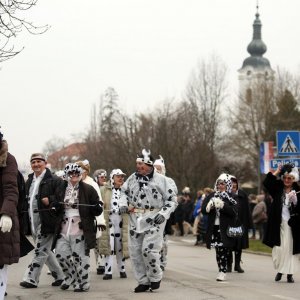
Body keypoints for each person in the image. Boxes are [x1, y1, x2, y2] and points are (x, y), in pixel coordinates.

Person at [119, 149, 178, 293]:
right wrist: (123, 204)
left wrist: (164, 214)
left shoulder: (162, 180)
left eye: (141, 164)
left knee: (148, 250)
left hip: (154, 219)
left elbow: (172, 200)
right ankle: (143, 281)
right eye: (137, 163)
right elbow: (123, 192)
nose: (138, 166)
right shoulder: (133, 178)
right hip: (135, 219)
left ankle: (155, 276)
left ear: (149, 165)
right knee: (135, 252)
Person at [52, 163, 103, 292]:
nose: (74, 175)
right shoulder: (60, 188)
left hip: (80, 226)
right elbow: (55, 205)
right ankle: (70, 277)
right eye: (71, 173)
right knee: (60, 254)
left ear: (80, 174)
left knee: (80, 257)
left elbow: (97, 207)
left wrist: (97, 207)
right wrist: (54, 206)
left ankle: (83, 283)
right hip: (63, 226)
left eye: (76, 172)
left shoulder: (88, 188)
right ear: (66, 175)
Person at [19, 153, 64, 288]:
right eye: (33, 162)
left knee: (40, 250)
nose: (36, 164)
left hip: (47, 222)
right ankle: (61, 276)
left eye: (39, 161)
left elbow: (61, 199)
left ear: (45, 163)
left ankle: (31, 278)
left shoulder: (55, 180)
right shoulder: (29, 181)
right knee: (46, 250)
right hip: (32, 223)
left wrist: (50, 200)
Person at [263, 163, 300, 283]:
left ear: (294, 179)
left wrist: (295, 202)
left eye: (290, 178)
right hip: (278, 224)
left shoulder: (298, 191)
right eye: (285, 178)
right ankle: (280, 270)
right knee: (278, 249)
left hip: (292, 225)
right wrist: (277, 172)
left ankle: (289, 274)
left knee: (289, 250)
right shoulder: (278, 188)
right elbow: (267, 183)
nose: (287, 180)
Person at [201, 173, 238, 282]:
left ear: (227, 185)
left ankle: (223, 270)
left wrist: (222, 205)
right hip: (214, 226)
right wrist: (210, 207)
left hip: (225, 227)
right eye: (219, 184)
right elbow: (204, 210)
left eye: (223, 184)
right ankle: (221, 270)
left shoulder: (231, 196)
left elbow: (234, 212)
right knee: (218, 249)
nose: (220, 186)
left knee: (224, 249)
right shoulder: (212, 195)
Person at [76, 160, 106, 275]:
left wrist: (100, 221)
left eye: (81, 170)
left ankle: (100, 262)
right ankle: (83, 266)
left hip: (91, 218)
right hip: (77, 219)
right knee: (82, 244)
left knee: (97, 242)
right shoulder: (73, 183)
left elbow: (99, 203)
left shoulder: (92, 184)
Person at [98, 169, 129, 280]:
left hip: (121, 221)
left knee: (120, 246)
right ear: (112, 177)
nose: (121, 178)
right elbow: (98, 203)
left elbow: (132, 204)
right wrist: (101, 205)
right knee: (109, 246)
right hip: (109, 221)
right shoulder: (103, 189)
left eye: (122, 176)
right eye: (118, 176)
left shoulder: (126, 190)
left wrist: (128, 208)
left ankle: (122, 269)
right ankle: (108, 271)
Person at [0, 130, 20, 299]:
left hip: (2, 217)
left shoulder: (8, 159)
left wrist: (6, 214)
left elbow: (11, 189)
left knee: (0, 265)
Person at [153, 155, 178, 271]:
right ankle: (153, 262)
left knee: (162, 242)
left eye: (159, 168)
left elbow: (173, 198)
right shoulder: (149, 181)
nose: (157, 170)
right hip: (151, 215)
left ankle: (162, 262)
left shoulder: (169, 181)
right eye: (155, 168)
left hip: (164, 216)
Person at [227, 176, 252, 273]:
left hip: (240, 224)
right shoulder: (226, 195)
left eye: (235, 184)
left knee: (239, 245)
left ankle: (237, 265)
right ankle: (229, 264)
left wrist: (249, 224)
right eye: (231, 184)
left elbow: (247, 210)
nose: (233, 186)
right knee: (229, 245)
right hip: (229, 224)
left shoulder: (242, 194)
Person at [93, 168, 107, 274]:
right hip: (97, 216)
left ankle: (104, 262)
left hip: (107, 216)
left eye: (105, 177)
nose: (104, 179)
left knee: (104, 240)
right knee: (98, 240)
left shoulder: (107, 187)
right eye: (102, 177)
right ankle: (99, 262)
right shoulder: (93, 187)